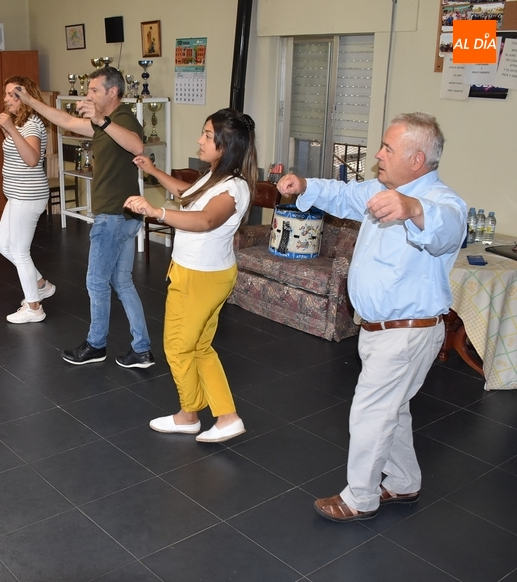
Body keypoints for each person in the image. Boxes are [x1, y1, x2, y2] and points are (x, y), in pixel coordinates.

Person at [276, 113, 467, 522]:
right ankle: (402, 481)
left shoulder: (443, 202)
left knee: (370, 412)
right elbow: (344, 196)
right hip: (379, 330)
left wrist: (411, 206)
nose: (378, 154)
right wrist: (305, 185)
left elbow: (448, 230)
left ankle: (360, 498)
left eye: (388, 149)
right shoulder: (382, 188)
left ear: (417, 159)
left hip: (407, 334)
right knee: (391, 410)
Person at [124, 109, 256, 443]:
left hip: (200, 277)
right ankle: (227, 417)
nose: (200, 140)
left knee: (178, 348)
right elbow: (189, 194)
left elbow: (207, 219)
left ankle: (188, 414)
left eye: (208, 136)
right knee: (199, 347)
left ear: (226, 145)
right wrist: (153, 171)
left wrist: (157, 212)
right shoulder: (216, 177)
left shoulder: (233, 188)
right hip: (207, 273)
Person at [14, 66, 153, 368]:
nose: (88, 95)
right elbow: (64, 120)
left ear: (112, 92)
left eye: (94, 90)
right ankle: (141, 349)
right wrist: (30, 101)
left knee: (96, 282)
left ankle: (96, 344)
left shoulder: (122, 118)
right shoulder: (104, 124)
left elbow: (137, 145)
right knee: (122, 282)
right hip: (123, 215)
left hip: (114, 217)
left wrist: (101, 119)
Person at [0, 76, 56, 323]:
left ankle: (34, 307)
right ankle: (41, 285)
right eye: (6, 94)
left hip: (28, 196)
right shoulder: (22, 123)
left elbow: (31, 159)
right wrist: (6, 128)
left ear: (25, 97)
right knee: (2, 245)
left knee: (19, 251)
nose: (6, 99)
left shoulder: (31, 124)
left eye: (12, 95)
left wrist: (9, 129)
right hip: (17, 195)